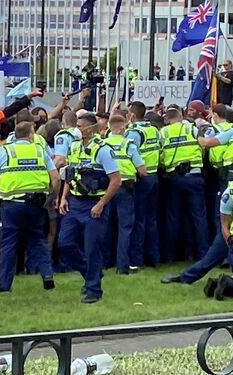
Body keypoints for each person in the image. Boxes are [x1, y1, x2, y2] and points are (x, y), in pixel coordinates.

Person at [0, 121, 59, 292]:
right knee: (38, 240)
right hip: (36, 204)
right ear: (31, 134)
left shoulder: (6, 151)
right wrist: (53, 196)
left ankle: (4, 284)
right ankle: (47, 274)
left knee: (9, 244)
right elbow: (55, 178)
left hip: (11, 205)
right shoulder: (40, 150)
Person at [57, 113, 121, 303]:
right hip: (75, 202)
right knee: (64, 243)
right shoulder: (74, 147)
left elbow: (116, 181)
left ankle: (93, 289)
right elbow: (71, 175)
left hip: (94, 203)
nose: (77, 129)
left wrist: (101, 203)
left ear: (91, 128)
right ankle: (91, 272)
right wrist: (63, 198)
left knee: (92, 247)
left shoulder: (102, 150)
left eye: (80, 126)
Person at [159, 108, 209, 262]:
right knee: (199, 217)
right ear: (181, 116)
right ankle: (202, 254)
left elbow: (160, 154)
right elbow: (203, 147)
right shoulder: (191, 128)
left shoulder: (163, 132)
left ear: (167, 119)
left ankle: (170, 256)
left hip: (174, 178)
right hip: (194, 175)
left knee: (173, 217)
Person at [104, 115, 147, 273]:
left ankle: (105, 261)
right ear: (122, 128)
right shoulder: (127, 144)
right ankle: (122, 265)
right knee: (125, 227)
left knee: (107, 225)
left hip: (107, 188)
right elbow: (142, 169)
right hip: (124, 188)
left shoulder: (102, 143)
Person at [126, 101, 161, 268]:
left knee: (139, 220)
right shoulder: (153, 129)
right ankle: (154, 258)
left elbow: (127, 154)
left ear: (132, 115)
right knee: (152, 220)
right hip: (154, 176)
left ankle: (136, 260)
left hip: (141, 178)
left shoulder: (134, 133)